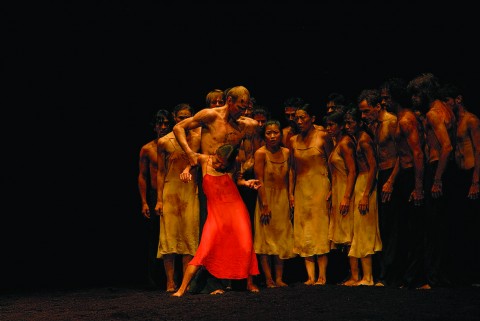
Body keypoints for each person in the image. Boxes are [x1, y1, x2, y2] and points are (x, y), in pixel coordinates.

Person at [173, 85, 259, 293]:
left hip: (231, 184)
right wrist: (189, 154)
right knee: (211, 234)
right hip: (209, 178)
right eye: (240, 106)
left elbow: (248, 151)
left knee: (238, 234)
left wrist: (243, 175)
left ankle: (239, 281)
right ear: (229, 100)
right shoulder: (210, 116)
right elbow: (178, 128)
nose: (243, 111)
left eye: (246, 107)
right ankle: (210, 283)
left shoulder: (247, 125)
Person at [172, 144, 261, 297]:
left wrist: (246, 183)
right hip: (215, 214)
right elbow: (190, 164)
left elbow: (238, 181)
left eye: (222, 164)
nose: (218, 164)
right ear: (214, 153)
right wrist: (186, 171)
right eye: (217, 160)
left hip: (236, 210)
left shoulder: (233, 167)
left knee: (245, 245)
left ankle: (249, 282)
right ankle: (182, 289)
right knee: (204, 249)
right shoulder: (203, 159)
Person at [408, 72, 456, 288]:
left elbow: (446, 146)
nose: (414, 99)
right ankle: (439, 276)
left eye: (417, 94)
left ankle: (432, 279)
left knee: (431, 226)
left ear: (426, 92)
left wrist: (436, 179)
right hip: (444, 169)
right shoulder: (447, 109)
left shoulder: (434, 114)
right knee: (439, 226)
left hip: (437, 168)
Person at [155, 103, 201, 292]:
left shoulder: (197, 138)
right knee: (169, 237)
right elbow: (160, 172)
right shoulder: (164, 141)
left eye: (187, 117)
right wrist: (159, 199)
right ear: (175, 117)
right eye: (181, 117)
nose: (184, 120)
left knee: (189, 236)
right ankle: (170, 281)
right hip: (171, 191)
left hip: (190, 190)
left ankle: (186, 281)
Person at [438, 83, 480, 286]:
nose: (446, 105)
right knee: (457, 225)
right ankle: (459, 274)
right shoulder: (453, 122)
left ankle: (473, 275)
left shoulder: (471, 120)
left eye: (447, 101)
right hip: (457, 176)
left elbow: (479, 150)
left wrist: (475, 181)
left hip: (470, 174)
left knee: (471, 225)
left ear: (458, 99)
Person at [359, 85, 400, 287]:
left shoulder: (391, 122)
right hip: (381, 175)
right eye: (362, 112)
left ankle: (390, 276)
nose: (364, 115)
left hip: (393, 173)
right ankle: (384, 273)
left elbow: (403, 153)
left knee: (392, 226)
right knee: (383, 227)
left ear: (377, 106)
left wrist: (391, 181)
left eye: (367, 111)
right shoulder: (373, 125)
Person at [290, 104, 334, 285]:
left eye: (303, 118)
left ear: (312, 118)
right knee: (304, 229)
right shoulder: (293, 140)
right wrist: (291, 193)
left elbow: (333, 163)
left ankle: (322, 275)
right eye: (297, 118)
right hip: (301, 188)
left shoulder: (323, 136)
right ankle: (310, 276)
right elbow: (292, 169)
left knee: (320, 229)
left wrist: (333, 188)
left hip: (320, 186)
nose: (299, 121)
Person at [253, 120, 296, 288]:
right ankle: (269, 278)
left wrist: (291, 194)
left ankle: (279, 278)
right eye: (268, 133)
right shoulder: (261, 153)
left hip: (282, 198)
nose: (272, 136)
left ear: (281, 134)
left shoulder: (286, 152)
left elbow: (291, 174)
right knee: (265, 237)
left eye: (275, 133)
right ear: (264, 135)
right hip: (266, 197)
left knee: (281, 237)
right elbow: (259, 180)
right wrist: (264, 204)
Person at [393, 84, 427, 289]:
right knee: (406, 227)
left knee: (414, 228)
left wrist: (418, 186)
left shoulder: (406, 120)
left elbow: (418, 152)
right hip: (404, 175)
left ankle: (416, 277)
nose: (383, 101)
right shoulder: (400, 118)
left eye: (386, 97)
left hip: (412, 176)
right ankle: (409, 275)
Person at [344, 106, 382, 286]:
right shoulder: (357, 139)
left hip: (366, 183)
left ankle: (368, 277)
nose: (347, 126)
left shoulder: (365, 140)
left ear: (359, 123)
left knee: (365, 229)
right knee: (359, 229)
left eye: (350, 123)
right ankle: (361, 276)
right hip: (361, 183)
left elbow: (374, 167)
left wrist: (366, 195)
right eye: (346, 123)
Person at [138, 109, 173, 289]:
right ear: (154, 126)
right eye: (160, 123)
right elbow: (142, 176)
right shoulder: (147, 149)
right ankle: (154, 280)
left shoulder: (175, 145)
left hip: (174, 193)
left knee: (173, 236)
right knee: (155, 236)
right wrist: (144, 201)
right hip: (154, 196)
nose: (163, 127)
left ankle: (173, 278)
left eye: (166, 123)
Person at [325, 109, 358, 285]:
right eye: (327, 125)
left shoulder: (345, 143)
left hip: (346, 191)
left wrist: (346, 196)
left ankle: (355, 275)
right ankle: (350, 274)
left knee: (349, 234)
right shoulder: (337, 143)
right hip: (338, 190)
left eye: (331, 125)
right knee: (343, 234)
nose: (328, 128)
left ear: (339, 127)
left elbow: (352, 171)